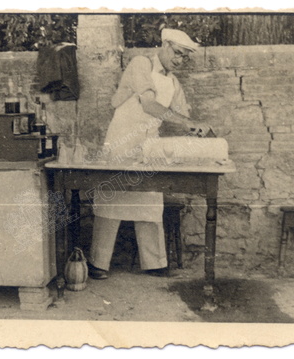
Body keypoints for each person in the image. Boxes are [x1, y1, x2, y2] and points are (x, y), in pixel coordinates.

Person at [88, 28, 211, 279]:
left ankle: (154, 262)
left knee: (150, 199)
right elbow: (149, 104)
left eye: (185, 57)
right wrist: (188, 124)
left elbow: (182, 115)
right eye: (177, 53)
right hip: (122, 140)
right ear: (165, 45)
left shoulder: (174, 83)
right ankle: (98, 263)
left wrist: (197, 129)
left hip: (148, 144)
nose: (180, 60)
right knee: (111, 200)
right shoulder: (140, 64)